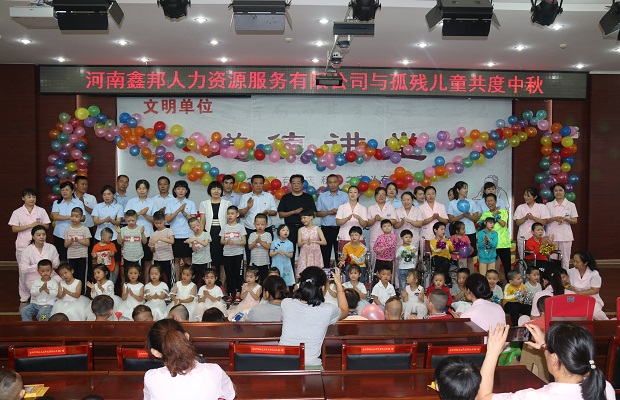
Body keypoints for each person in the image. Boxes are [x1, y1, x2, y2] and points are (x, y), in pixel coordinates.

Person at [477, 323, 615, 400]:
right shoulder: (604, 387)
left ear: (555, 359)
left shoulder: (535, 397)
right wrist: (546, 347)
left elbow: (482, 397)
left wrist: (492, 353)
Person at [144, 319, 235, 400]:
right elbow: (230, 393)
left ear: (155, 352)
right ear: (186, 337)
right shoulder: (214, 371)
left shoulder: (151, 378)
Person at [279, 266, 347, 369]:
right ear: (323, 288)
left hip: (281, 363)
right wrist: (339, 285)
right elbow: (345, 311)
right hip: (310, 366)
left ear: (300, 284)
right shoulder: (328, 309)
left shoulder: (286, 303)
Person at [9, 188, 51, 302]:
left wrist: (39, 225)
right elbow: (14, 228)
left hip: (39, 244)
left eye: (34, 197)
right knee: (23, 271)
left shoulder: (41, 210)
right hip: (23, 245)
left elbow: (47, 226)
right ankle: (24, 294)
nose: (32, 199)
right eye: (29, 197)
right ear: (23, 198)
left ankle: (39, 291)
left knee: (40, 269)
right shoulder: (17, 212)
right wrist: (30, 225)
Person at [199, 181, 231, 290]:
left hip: (223, 234)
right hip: (209, 233)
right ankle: (211, 284)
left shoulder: (227, 203)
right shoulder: (204, 203)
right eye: (213, 189)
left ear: (221, 191)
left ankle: (222, 285)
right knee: (211, 259)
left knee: (223, 260)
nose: (216, 191)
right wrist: (201, 235)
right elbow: (202, 221)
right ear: (209, 191)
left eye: (218, 189)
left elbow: (230, 220)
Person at [277, 174, 317, 259]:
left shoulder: (308, 197)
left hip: (305, 229)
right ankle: (290, 268)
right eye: (293, 183)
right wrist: (294, 212)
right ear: (290, 184)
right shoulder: (286, 197)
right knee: (289, 253)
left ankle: (304, 268)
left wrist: (304, 214)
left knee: (305, 253)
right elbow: (281, 214)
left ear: (302, 184)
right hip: (289, 229)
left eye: (298, 183)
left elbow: (314, 214)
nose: (296, 185)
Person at [239, 174, 277, 263]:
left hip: (266, 230)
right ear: (252, 184)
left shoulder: (269, 196)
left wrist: (267, 212)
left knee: (268, 253)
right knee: (249, 253)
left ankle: (267, 271)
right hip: (250, 229)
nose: (258, 185)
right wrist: (248, 207)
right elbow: (239, 213)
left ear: (263, 184)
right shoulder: (245, 197)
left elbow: (274, 212)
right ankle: (250, 271)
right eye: (256, 183)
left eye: (260, 183)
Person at [165, 180, 197, 282]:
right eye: (178, 188)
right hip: (175, 235)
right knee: (176, 260)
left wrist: (184, 213)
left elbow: (193, 221)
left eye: (183, 189)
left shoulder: (191, 203)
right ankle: (177, 282)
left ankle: (189, 282)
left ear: (187, 191)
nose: (181, 191)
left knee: (188, 259)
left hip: (188, 235)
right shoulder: (170, 204)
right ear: (174, 190)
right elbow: (168, 220)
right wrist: (178, 211)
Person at [125, 179, 156, 280]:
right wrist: (140, 212)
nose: (142, 190)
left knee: (147, 260)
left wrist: (145, 214)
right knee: (134, 262)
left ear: (147, 190)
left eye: (144, 188)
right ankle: (134, 283)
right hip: (133, 235)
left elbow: (155, 220)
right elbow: (127, 217)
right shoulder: (131, 202)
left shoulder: (152, 202)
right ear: (136, 190)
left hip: (147, 233)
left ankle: (146, 283)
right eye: (139, 188)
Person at [316, 174, 348, 269]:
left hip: (341, 228)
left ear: (339, 183)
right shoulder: (322, 197)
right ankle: (326, 274)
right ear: (327, 183)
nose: (333, 184)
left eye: (335, 182)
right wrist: (328, 212)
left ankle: (340, 274)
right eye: (330, 182)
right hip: (326, 229)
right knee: (325, 254)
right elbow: (317, 213)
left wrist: (339, 211)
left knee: (340, 254)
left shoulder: (345, 196)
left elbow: (349, 212)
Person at [19, 225, 60, 298]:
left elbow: (57, 263)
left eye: (44, 234)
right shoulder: (27, 250)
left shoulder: (51, 247)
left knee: (59, 280)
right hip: (34, 276)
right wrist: (39, 266)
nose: (41, 237)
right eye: (38, 235)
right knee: (37, 288)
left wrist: (52, 264)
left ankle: (51, 298)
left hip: (50, 275)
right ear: (33, 236)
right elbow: (23, 269)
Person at [447, 181, 480, 270]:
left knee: (470, 257)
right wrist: (462, 216)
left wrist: (469, 216)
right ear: (458, 190)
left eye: (467, 188)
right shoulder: (452, 203)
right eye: (464, 188)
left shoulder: (471, 202)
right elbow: (450, 219)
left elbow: (477, 217)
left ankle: (470, 276)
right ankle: (460, 276)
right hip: (457, 233)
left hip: (470, 231)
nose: (466, 190)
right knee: (458, 256)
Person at [567, 251, 608, 320]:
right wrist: (569, 287)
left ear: (585, 263)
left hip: (591, 298)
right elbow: (565, 283)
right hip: (575, 300)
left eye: (577, 262)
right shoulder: (570, 272)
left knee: (595, 313)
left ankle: (608, 323)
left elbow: (595, 290)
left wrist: (577, 293)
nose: (574, 264)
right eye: (573, 261)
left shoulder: (594, 273)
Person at [546, 183, 578, 270]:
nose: (558, 192)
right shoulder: (548, 205)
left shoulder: (571, 205)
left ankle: (565, 275)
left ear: (564, 191)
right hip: (552, 236)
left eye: (560, 190)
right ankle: (553, 275)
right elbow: (545, 221)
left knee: (565, 259)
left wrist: (566, 219)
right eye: (556, 190)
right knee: (552, 258)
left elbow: (575, 221)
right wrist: (554, 218)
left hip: (565, 236)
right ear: (553, 192)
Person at [91, 185, 123, 274]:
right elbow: (95, 222)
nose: (106, 196)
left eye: (109, 194)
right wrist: (105, 220)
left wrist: (111, 220)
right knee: (99, 260)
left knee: (115, 260)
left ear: (113, 195)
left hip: (114, 237)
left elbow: (118, 222)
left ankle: (113, 281)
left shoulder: (119, 207)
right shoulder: (97, 206)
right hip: (100, 236)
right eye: (104, 194)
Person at [51, 181, 85, 261]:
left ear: (72, 191)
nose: (64, 192)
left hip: (75, 234)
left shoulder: (78, 203)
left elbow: (83, 218)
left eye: (67, 190)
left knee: (75, 258)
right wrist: (72, 217)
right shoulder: (56, 203)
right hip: (60, 233)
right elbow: (55, 216)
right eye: (62, 190)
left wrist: (73, 217)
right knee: (61, 258)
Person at [513, 187, 550, 259]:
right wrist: (525, 218)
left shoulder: (541, 207)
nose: (526, 197)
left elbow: (544, 222)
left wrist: (533, 218)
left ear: (535, 197)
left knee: (540, 257)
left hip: (539, 238)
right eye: (525, 195)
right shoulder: (520, 207)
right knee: (524, 258)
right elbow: (517, 223)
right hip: (524, 236)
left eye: (528, 196)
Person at [479, 193, 511, 274]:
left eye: (491, 201)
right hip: (491, 244)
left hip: (503, 244)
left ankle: (509, 281)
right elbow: (480, 226)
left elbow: (503, 224)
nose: (490, 203)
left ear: (496, 201)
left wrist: (496, 216)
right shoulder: (485, 214)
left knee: (507, 266)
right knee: (490, 267)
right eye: (487, 201)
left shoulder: (503, 211)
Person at [367, 187, 398, 267]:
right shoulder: (371, 208)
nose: (381, 196)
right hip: (375, 236)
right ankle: (374, 275)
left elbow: (394, 221)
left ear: (386, 196)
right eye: (379, 194)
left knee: (389, 262)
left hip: (389, 239)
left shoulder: (390, 207)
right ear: (375, 196)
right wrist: (374, 219)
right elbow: (367, 223)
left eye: (383, 194)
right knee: (374, 260)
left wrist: (382, 219)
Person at [220, 205, 246, 298]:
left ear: (237, 215)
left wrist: (234, 242)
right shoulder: (224, 227)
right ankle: (230, 293)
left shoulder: (240, 227)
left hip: (238, 254)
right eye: (228, 214)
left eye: (232, 213)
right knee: (229, 274)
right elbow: (221, 241)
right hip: (227, 254)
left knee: (238, 274)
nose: (230, 216)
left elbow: (244, 241)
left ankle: (238, 293)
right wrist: (226, 242)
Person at [64, 207, 91, 295]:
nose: (74, 218)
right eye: (72, 216)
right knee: (73, 275)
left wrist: (79, 241)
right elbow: (65, 245)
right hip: (71, 255)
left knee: (82, 275)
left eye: (76, 216)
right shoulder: (67, 229)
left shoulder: (85, 229)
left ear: (82, 217)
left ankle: (82, 293)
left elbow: (88, 243)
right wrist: (71, 241)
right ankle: (73, 292)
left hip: (82, 255)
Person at [297, 209, 326, 278]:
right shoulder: (300, 230)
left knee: (316, 274)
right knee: (304, 274)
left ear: (311, 217)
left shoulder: (317, 229)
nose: (303, 220)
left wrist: (314, 241)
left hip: (315, 254)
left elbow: (324, 242)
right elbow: (299, 244)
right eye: (301, 218)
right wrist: (304, 242)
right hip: (304, 255)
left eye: (304, 218)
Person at [116, 210, 147, 275]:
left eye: (133, 220)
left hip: (138, 256)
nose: (131, 222)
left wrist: (142, 233)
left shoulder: (140, 229)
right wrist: (119, 233)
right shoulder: (123, 230)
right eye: (128, 221)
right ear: (125, 219)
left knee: (138, 275)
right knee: (127, 275)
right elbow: (119, 242)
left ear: (137, 218)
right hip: (127, 256)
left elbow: (144, 242)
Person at [185, 217, 211, 285]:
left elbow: (205, 244)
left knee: (205, 279)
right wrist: (192, 242)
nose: (196, 228)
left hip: (205, 260)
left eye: (197, 225)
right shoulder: (191, 237)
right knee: (194, 280)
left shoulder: (206, 234)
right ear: (190, 228)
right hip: (195, 261)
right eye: (193, 227)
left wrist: (196, 239)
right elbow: (194, 250)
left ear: (200, 224)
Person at [247, 213, 272, 281]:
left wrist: (260, 241)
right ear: (254, 225)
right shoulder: (252, 235)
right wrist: (255, 241)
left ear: (266, 225)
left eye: (262, 224)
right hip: (254, 261)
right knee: (254, 279)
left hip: (264, 262)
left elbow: (268, 247)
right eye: (258, 224)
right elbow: (249, 247)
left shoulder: (268, 235)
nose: (260, 226)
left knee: (264, 279)